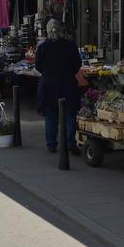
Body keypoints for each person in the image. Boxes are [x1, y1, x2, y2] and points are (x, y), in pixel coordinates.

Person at [35, 19, 82, 155]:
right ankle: (69, 143)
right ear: (61, 30)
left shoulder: (43, 47)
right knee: (70, 114)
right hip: (67, 84)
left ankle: (51, 144)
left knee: (51, 115)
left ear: (48, 31)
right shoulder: (70, 45)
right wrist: (68, 72)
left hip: (49, 85)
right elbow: (77, 63)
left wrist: (47, 72)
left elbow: (38, 65)